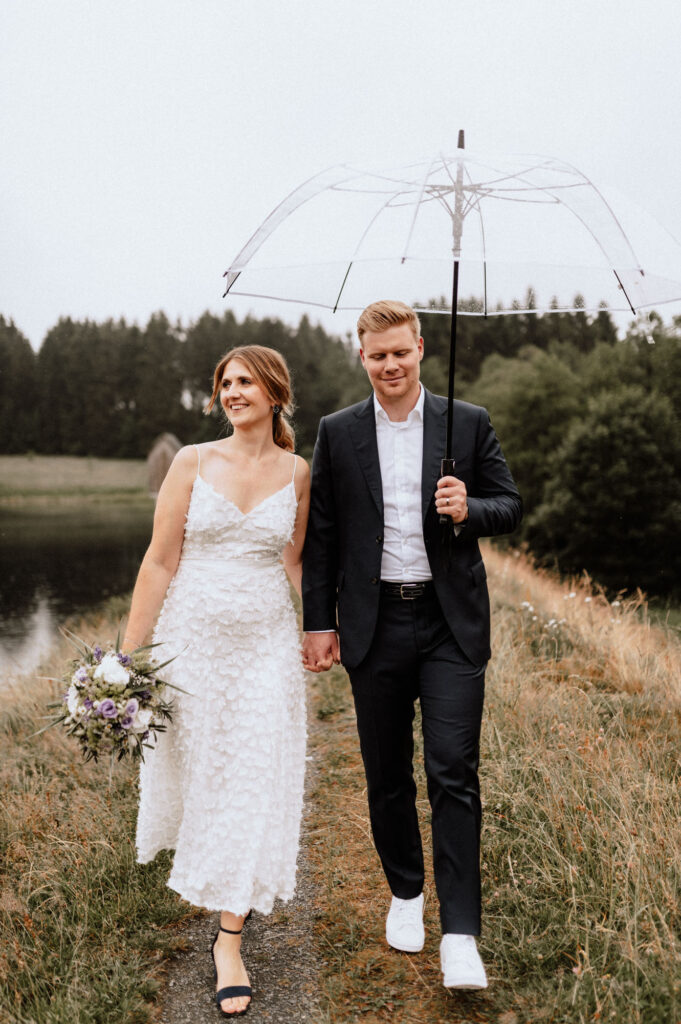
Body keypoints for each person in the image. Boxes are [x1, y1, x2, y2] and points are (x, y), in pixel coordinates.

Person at [301, 300, 522, 990]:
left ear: (421, 348)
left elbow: (509, 505)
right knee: (386, 772)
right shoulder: (337, 432)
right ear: (361, 356)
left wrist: (468, 509)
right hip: (375, 625)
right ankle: (405, 891)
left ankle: (460, 935)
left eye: (401, 352)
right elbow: (322, 537)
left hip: (450, 623)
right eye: (378, 355)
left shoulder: (467, 421)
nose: (390, 365)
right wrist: (318, 621)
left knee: (452, 769)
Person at [123, 345, 310, 1018]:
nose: (233, 392)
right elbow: (158, 560)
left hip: (266, 646)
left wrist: (326, 627)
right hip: (194, 644)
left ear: (274, 393)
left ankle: (228, 940)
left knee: (254, 777)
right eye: (225, 383)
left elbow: (296, 563)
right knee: (209, 777)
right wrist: (126, 658)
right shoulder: (192, 462)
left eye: (246, 382)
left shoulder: (298, 472)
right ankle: (212, 875)